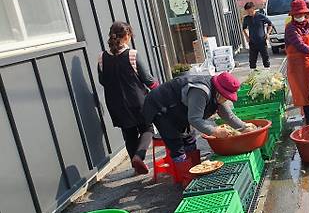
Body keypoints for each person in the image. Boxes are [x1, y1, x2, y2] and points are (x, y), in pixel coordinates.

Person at [142, 72, 252, 185]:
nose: (226, 99)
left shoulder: (217, 93)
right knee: (176, 143)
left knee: (190, 138)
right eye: (226, 96)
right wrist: (215, 131)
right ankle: (187, 181)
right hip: (162, 106)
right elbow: (194, 119)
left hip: (179, 108)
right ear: (219, 92)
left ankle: (196, 173)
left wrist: (244, 128)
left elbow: (228, 116)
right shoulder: (200, 91)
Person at [98, 22, 158, 176]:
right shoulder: (132, 54)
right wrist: (160, 90)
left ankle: (135, 165)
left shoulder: (102, 57)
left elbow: (102, 81)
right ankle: (139, 156)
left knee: (129, 133)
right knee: (147, 129)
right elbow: (148, 79)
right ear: (126, 36)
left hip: (115, 104)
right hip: (137, 101)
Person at [242, 1, 273, 69]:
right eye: (247, 12)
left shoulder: (260, 16)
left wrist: (267, 33)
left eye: (250, 11)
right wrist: (247, 36)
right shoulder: (246, 18)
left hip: (262, 41)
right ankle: (253, 74)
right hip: (252, 42)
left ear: (253, 8)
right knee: (252, 60)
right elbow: (244, 28)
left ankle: (267, 72)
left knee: (265, 58)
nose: (249, 13)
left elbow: (270, 24)